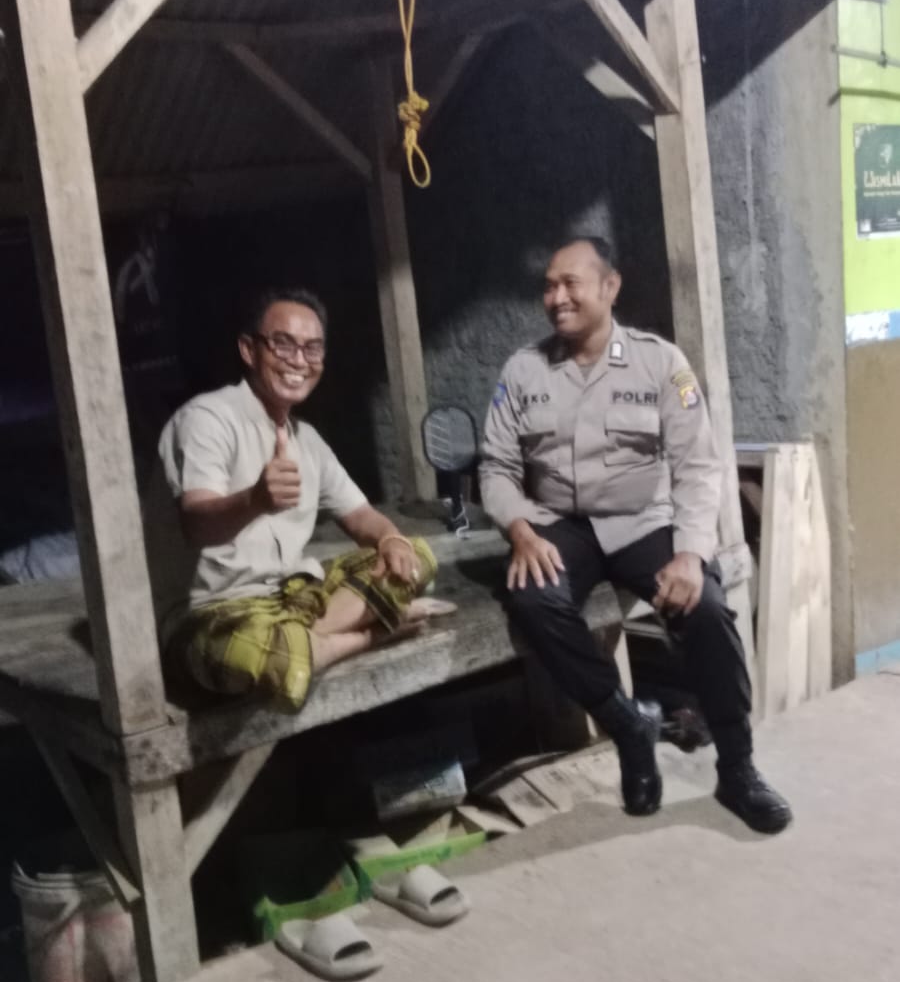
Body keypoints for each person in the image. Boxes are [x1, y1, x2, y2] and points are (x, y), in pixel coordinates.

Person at [479, 237, 792, 834]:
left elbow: (697, 465)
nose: (556, 297)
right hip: (557, 524)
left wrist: (691, 554)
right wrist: (519, 529)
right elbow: (496, 467)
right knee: (532, 599)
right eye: (548, 286)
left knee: (707, 608)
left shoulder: (660, 364)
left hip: (642, 521)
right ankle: (628, 724)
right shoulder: (523, 370)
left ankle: (738, 768)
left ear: (610, 286)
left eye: (570, 283)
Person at [145, 285, 447, 709]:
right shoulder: (207, 419)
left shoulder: (307, 440)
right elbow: (197, 524)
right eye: (283, 344)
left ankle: (307, 642)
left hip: (293, 599)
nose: (299, 361)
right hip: (213, 614)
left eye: (312, 348)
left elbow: (361, 515)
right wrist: (255, 501)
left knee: (416, 556)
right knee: (266, 656)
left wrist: (391, 539)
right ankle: (374, 632)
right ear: (249, 350)